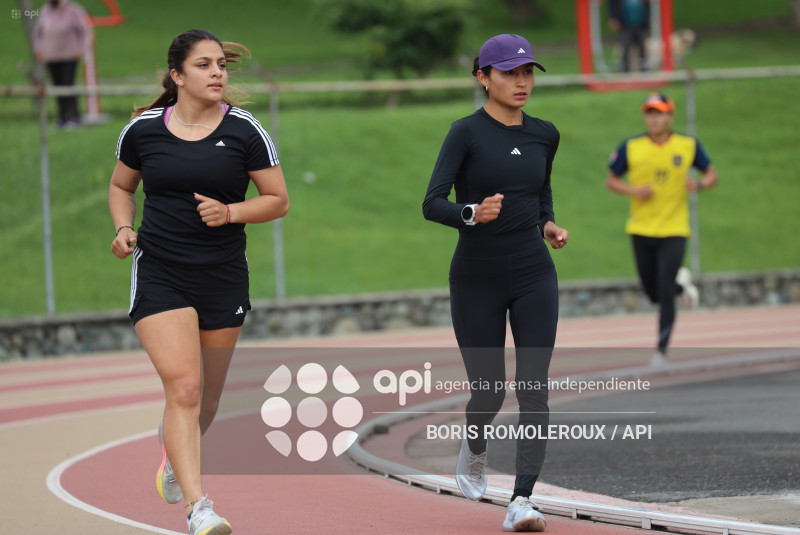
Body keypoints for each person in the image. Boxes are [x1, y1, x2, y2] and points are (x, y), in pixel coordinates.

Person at [108, 29, 289, 535]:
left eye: (221, 65)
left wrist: (231, 212)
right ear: (177, 75)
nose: (217, 73)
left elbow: (277, 200)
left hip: (222, 275)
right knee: (184, 388)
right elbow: (121, 186)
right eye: (204, 65)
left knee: (206, 400)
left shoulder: (245, 130)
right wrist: (123, 228)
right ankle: (199, 508)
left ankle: (175, 452)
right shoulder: (143, 131)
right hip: (161, 271)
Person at [423, 34, 568, 532]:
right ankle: (476, 444)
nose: (521, 82)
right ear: (483, 78)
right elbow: (432, 202)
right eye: (509, 73)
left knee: (534, 389)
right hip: (476, 277)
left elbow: (540, 190)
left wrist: (548, 223)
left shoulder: (545, 134)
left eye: (527, 72)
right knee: (489, 392)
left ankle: (521, 500)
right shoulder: (465, 133)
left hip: (533, 273)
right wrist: (471, 212)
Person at [606, 92, 717, 366]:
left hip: (674, 228)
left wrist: (699, 185)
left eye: (660, 113)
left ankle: (660, 352)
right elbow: (611, 180)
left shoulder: (687, 145)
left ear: (671, 116)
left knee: (664, 290)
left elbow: (711, 174)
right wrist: (634, 190)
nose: (654, 119)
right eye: (650, 113)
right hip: (641, 228)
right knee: (653, 291)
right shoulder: (632, 147)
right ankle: (681, 286)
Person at [33, 0, 93, 128]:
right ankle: (62, 117)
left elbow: (86, 31)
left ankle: (74, 116)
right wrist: (39, 50)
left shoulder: (72, 10)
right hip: (51, 57)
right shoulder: (45, 10)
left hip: (69, 56)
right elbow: (38, 33)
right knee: (57, 87)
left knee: (67, 85)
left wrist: (81, 49)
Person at [608, 0, 650, 72]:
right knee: (625, 47)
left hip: (641, 24)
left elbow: (648, 5)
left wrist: (649, 17)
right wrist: (614, 18)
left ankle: (644, 70)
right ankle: (626, 70)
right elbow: (613, 4)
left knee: (643, 47)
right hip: (625, 25)